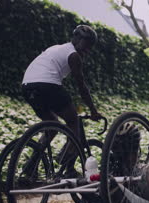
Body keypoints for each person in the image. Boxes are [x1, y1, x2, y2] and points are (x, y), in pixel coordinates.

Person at [21, 25, 103, 175]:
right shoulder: (74, 56)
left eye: (91, 47)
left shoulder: (57, 48)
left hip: (27, 86)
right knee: (74, 122)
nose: (88, 50)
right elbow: (81, 86)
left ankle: (29, 168)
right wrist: (93, 111)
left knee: (52, 127)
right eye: (87, 45)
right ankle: (68, 166)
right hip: (47, 85)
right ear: (77, 39)